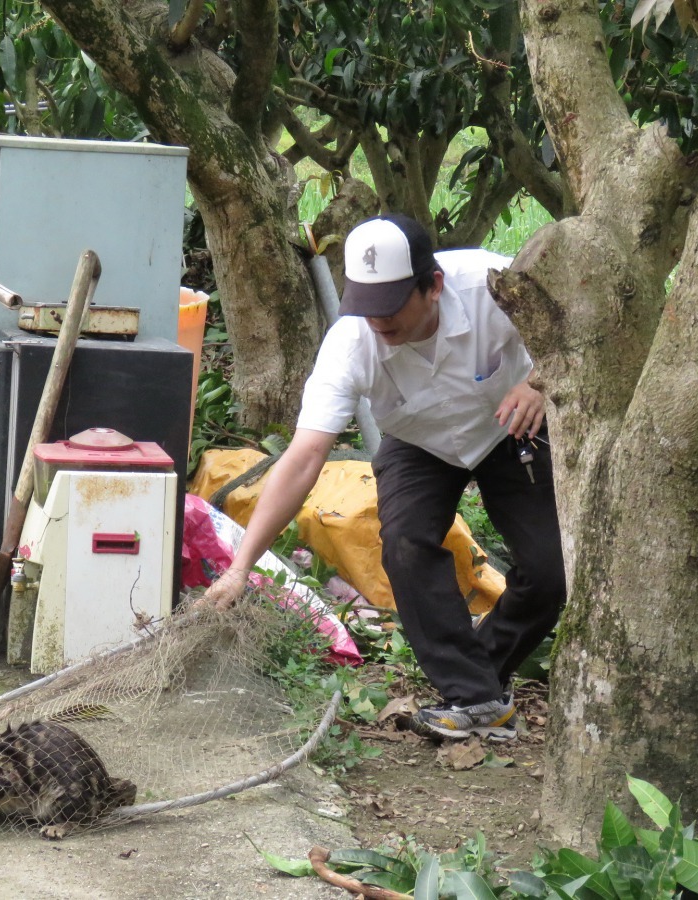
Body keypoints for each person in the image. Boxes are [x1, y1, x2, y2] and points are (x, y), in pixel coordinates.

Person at [203, 213, 565, 741]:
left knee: (550, 570)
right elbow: (303, 458)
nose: (378, 321)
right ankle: (475, 696)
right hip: (418, 442)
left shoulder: (493, 284)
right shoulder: (350, 343)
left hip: (509, 423)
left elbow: (573, 330)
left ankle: (482, 682)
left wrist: (539, 381)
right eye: (366, 306)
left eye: (392, 306)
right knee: (404, 544)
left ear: (433, 286)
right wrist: (241, 565)